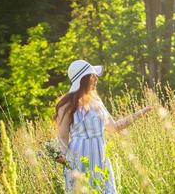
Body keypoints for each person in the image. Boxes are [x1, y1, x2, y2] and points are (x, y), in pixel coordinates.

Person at [53, 60, 153, 193]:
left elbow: (115, 127)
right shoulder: (66, 105)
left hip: (100, 157)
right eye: (93, 76)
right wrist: (63, 156)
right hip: (78, 159)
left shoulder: (96, 102)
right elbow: (63, 136)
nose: (96, 79)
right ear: (84, 79)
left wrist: (140, 113)